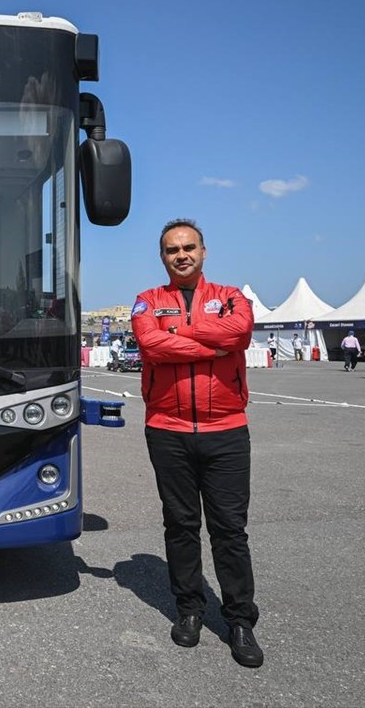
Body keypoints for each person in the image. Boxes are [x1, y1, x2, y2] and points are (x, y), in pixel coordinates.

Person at [131, 218, 263, 668]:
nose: (181, 255)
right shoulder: (148, 300)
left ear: (203, 252)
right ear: (162, 257)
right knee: (181, 525)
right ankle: (189, 609)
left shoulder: (231, 297)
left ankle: (240, 620)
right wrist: (212, 344)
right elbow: (150, 345)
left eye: (189, 247)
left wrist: (179, 334)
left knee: (229, 530)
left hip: (226, 430)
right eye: (172, 249)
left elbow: (239, 334)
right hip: (167, 430)